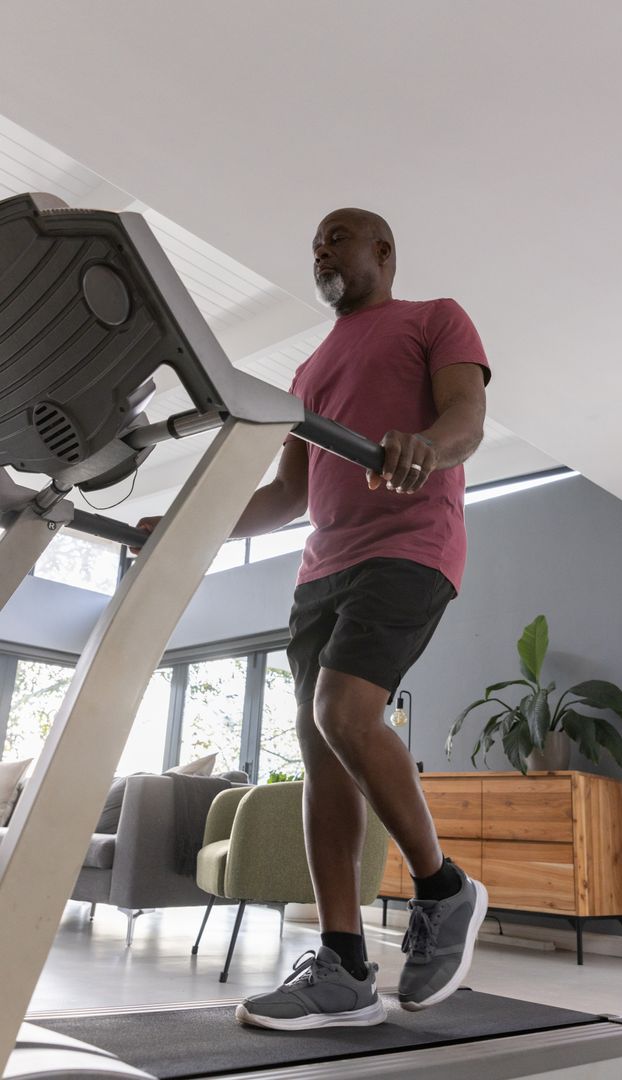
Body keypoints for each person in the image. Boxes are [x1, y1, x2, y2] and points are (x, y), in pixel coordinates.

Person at [136, 207, 491, 1030]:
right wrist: (192, 523)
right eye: (314, 244)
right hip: (321, 570)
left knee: (343, 711)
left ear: (383, 251)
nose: (321, 250)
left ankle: (443, 890)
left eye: (337, 236)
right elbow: (290, 495)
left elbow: (464, 420)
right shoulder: (310, 369)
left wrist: (426, 450)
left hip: (411, 545)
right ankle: (343, 966)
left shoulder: (435, 318)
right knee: (322, 752)